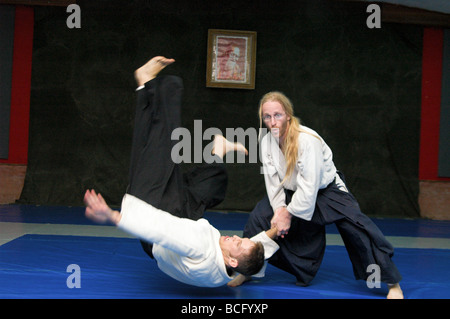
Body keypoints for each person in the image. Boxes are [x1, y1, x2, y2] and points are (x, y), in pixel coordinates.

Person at [83, 56, 279, 287]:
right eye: (241, 239)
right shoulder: (227, 272)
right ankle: (218, 150)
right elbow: (257, 251)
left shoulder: (199, 246)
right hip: (185, 217)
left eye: (237, 244)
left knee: (160, 145)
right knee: (210, 186)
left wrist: (112, 216)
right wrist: (279, 226)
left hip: (153, 210)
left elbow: (161, 230)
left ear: (231, 261)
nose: (236, 237)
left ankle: (146, 82)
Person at [229, 91, 404, 299]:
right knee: (259, 217)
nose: (272, 121)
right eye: (267, 116)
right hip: (292, 192)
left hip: (327, 191)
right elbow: (273, 183)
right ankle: (250, 270)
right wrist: (279, 210)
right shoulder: (266, 142)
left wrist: (288, 213)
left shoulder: (306, 140)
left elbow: (309, 186)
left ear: (288, 115)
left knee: (358, 229)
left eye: (277, 115)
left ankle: (392, 284)